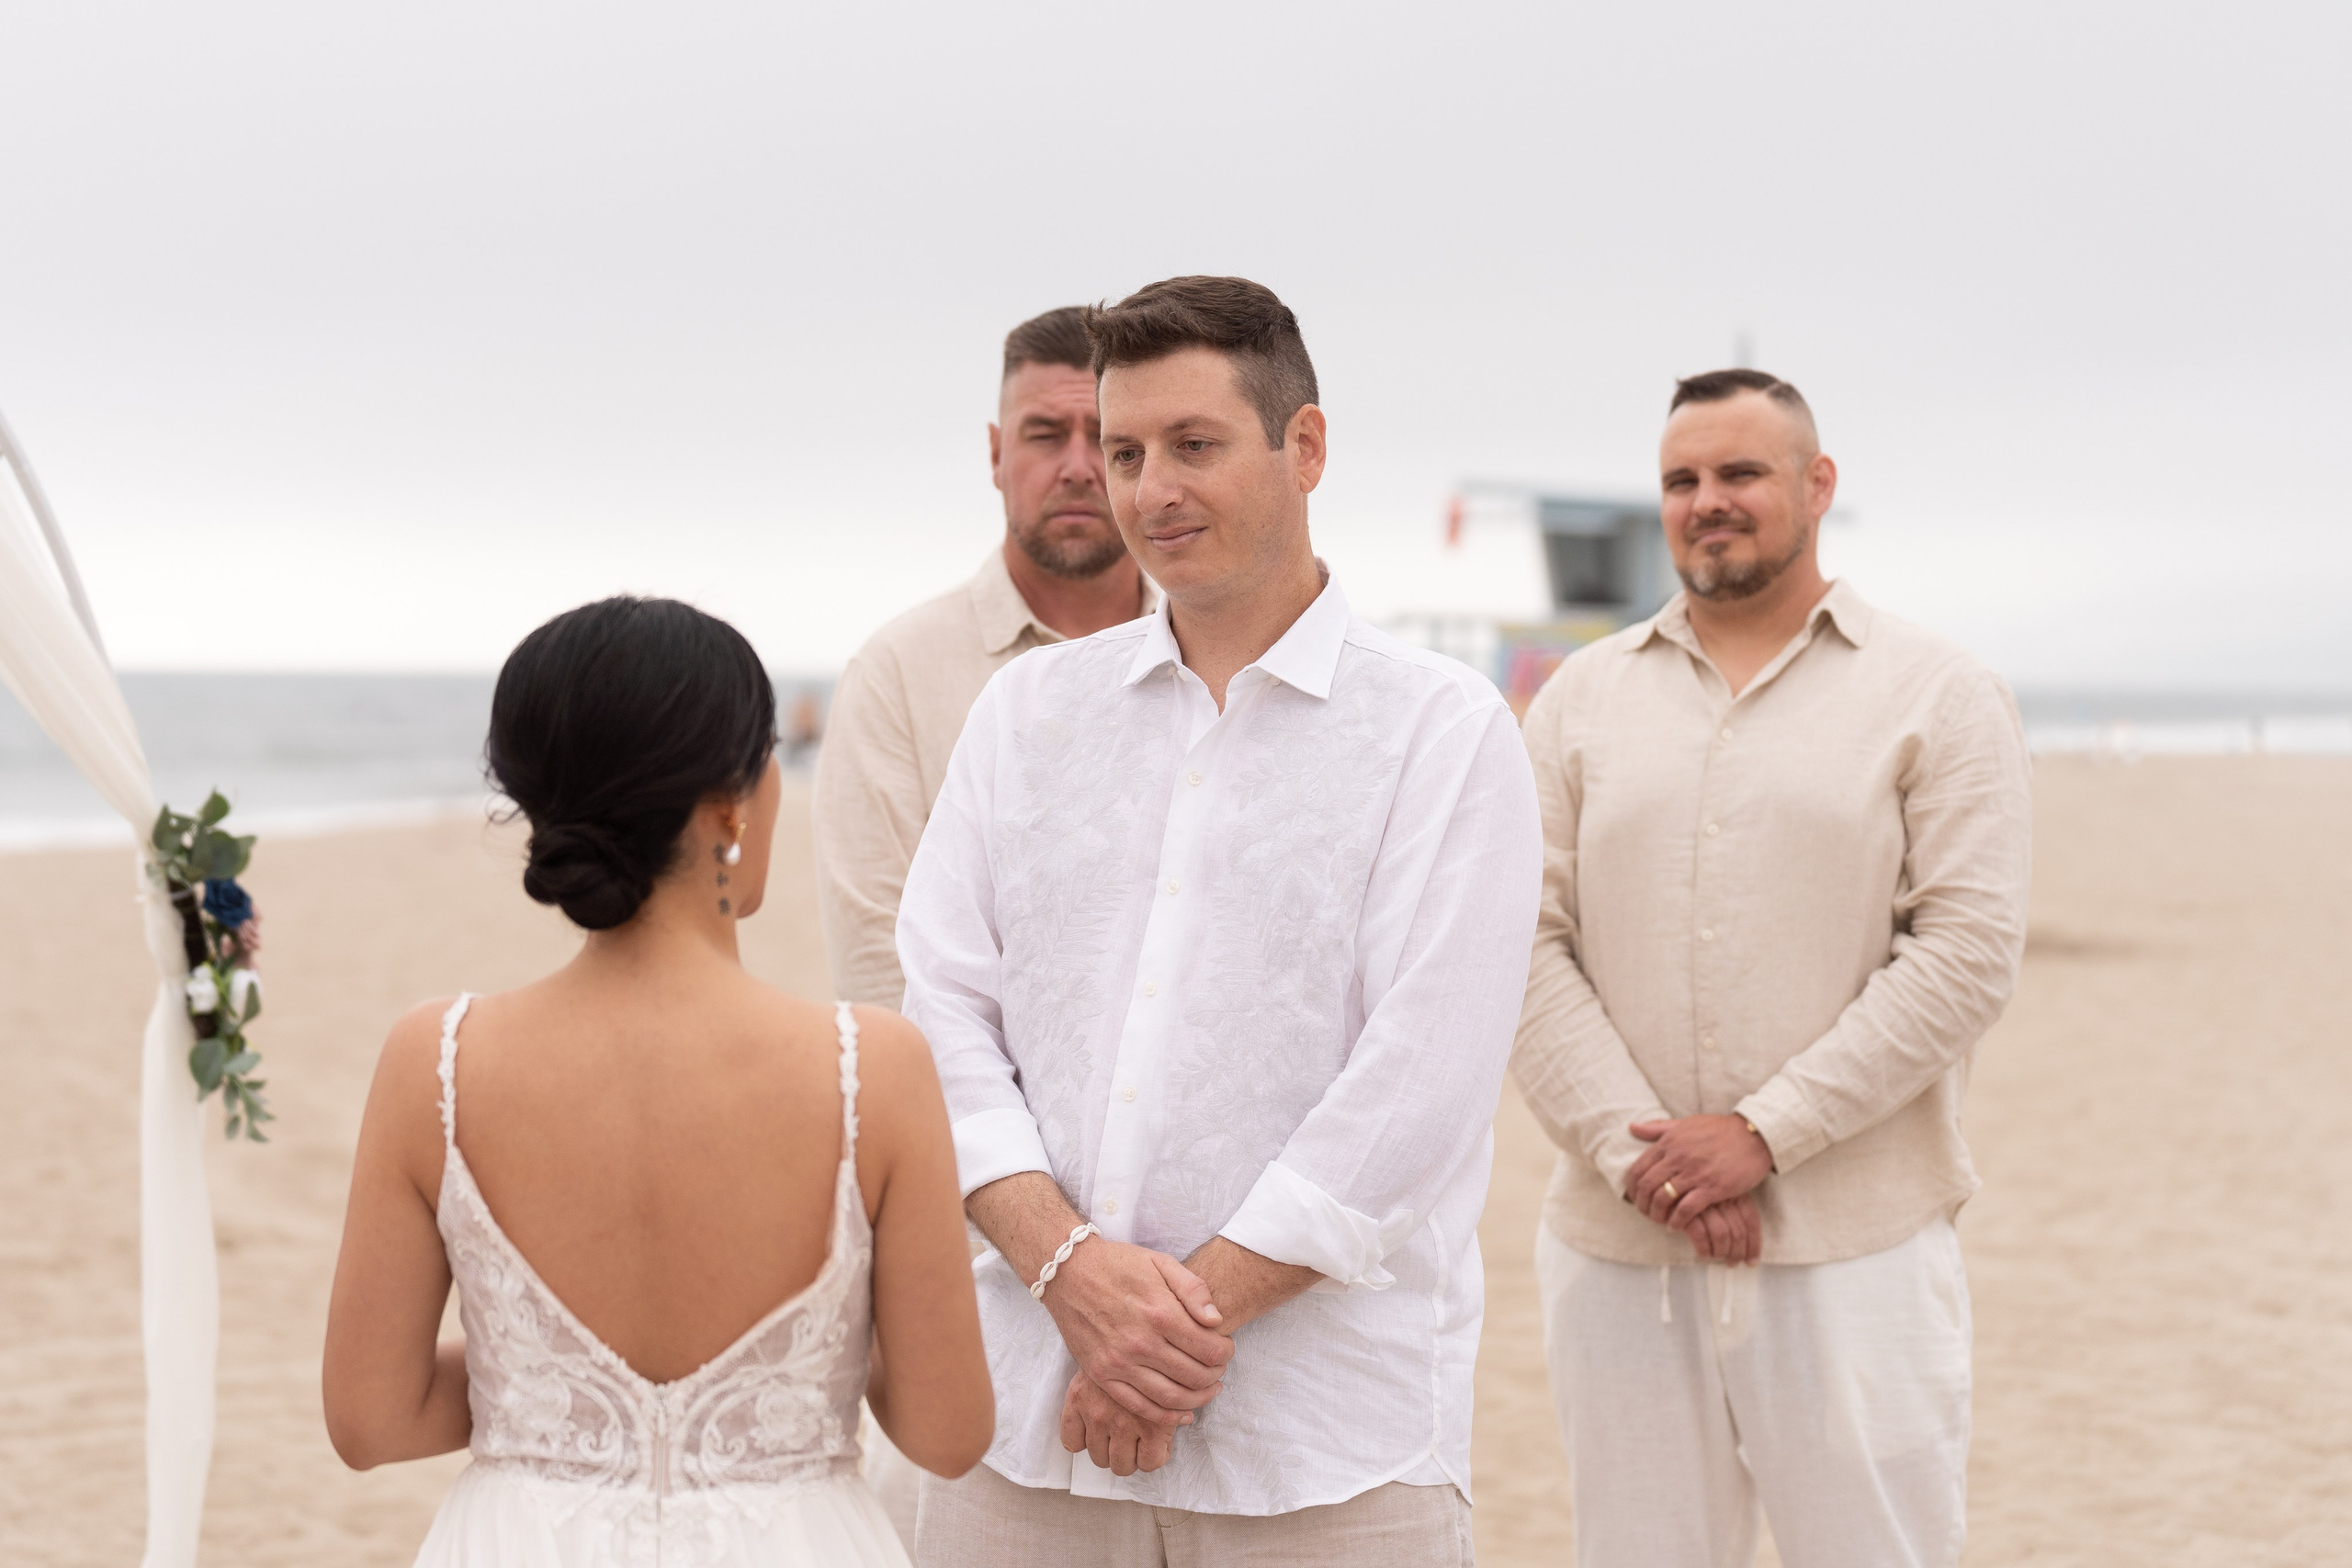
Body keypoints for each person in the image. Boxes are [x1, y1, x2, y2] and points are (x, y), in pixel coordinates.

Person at [897, 276, 1543, 1566]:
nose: (1150, 491)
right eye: (1126, 452)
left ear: (1305, 446)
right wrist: (1070, 1274)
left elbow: (1420, 1082)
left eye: (1193, 445)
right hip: (1025, 1421)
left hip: (1328, 1448)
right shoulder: (1026, 717)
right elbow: (942, 1014)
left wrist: (1161, 1330)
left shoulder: (1440, 730)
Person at [322, 596, 992, 1566]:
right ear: (735, 805)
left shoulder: (435, 1061)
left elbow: (370, 1420)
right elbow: (948, 1430)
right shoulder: (873, 1068)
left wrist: (535, 1389)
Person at [1510, 370, 2032, 1567]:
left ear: (1817, 484)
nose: (1708, 500)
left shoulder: (1941, 693)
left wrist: (1762, 1133)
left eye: (1740, 472)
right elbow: (1522, 944)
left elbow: (1964, 956)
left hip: (1857, 1248)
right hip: (1620, 1251)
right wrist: (1646, 1162)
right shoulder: (1577, 700)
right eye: (1681, 480)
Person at [814, 304, 1155, 1012]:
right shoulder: (896, 675)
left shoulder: (1215, 655)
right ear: (996, 455)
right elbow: (884, 977)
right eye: (1045, 435)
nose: (1078, 468)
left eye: (1106, 440)